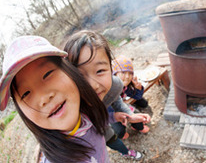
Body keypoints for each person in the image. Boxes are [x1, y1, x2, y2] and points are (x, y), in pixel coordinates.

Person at [0, 36, 111, 163]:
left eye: (47, 74)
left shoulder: (88, 109)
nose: (44, 99)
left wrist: (117, 116)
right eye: (25, 94)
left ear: (69, 71)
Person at [63, 30, 151, 160]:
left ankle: (126, 152)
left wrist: (129, 116)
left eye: (99, 71)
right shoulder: (69, 106)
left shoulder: (115, 85)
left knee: (114, 139)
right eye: (80, 76)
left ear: (111, 68)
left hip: (104, 127)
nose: (93, 85)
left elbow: (117, 102)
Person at [112, 55, 150, 133]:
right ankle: (138, 127)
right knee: (135, 115)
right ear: (114, 74)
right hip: (114, 109)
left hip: (122, 101)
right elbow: (117, 106)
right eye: (123, 72)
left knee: (144, 103)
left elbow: (138, 96)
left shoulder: (125, 87)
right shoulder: (111, 89)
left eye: (130, 73)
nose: (127, 77)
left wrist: (138, 88)